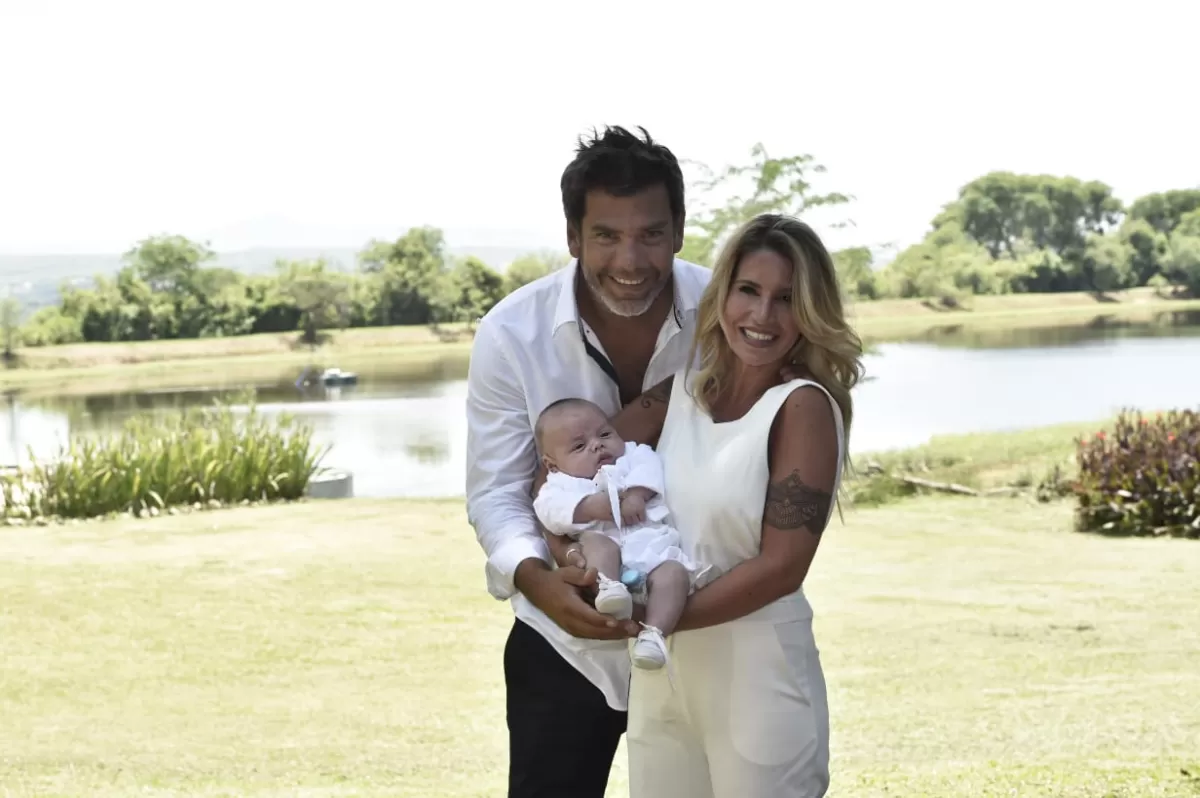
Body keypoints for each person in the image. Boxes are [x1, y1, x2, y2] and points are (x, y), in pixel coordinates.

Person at [464, 124, 712, 798]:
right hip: (560, 641)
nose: (630, 259)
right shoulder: (511, 332)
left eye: (651, 234)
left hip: (708, 626)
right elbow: (494, 490)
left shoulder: (731, 311)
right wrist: (536, 580)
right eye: (606, 235)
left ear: (681, 228)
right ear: (573, 236)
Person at [614, 213, 865, 797]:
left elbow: (781, 567)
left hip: (756, 676)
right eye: (748, 291)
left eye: (786, 299)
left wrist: (653, 618)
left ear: (811, 311)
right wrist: (570, 551)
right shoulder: (681, 392)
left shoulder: (801, 406)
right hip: (661, 676)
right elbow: (581, 458)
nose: (761, 316)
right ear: (722, 293)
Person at [530, 396, 709, 670]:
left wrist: (638, 493)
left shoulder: (633, 455)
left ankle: (653, 636)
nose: (597, 444)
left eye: (605, 434)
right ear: (553, 464)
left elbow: (650, 465)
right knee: (598, 545)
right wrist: (589, 507)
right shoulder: (559, 485)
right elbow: (548, 511)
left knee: (673, 574)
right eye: (579, 446)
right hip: (606, 557)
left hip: (652, 553)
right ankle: (609, 590)